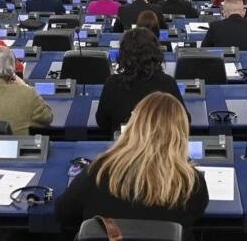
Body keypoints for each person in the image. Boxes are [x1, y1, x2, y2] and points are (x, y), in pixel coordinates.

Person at [56, 92, 209, 232]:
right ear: (181, 133)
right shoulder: (192, 183)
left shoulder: (98, 171)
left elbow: (63, 212)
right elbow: (196, 214)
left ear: (134, 124)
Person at [95, 28, 185, 133]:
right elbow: (184, 120)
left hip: (124, 145)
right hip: (159, 146)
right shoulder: (168, 83)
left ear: (124, 54)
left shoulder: (112, 83)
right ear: (155, 52)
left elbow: (102, 122)